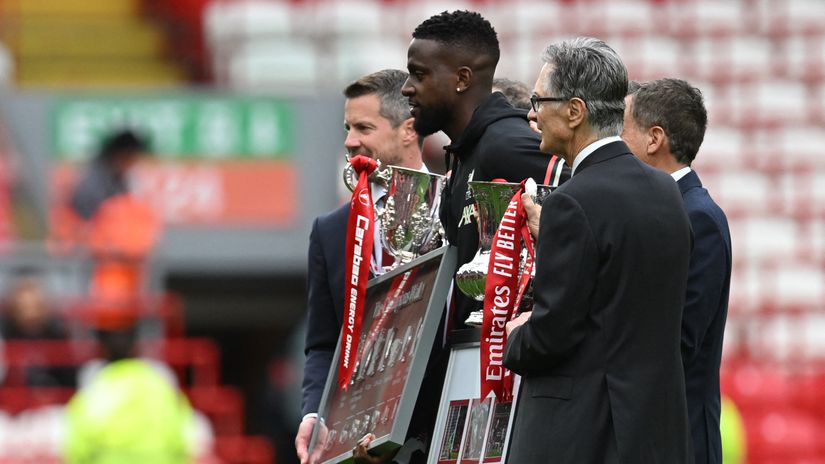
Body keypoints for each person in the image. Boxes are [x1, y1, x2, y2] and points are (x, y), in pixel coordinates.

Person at [503, 37, 694, 463]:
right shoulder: (665, 189)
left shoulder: (572, 201)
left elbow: (554, 334)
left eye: (538, 100)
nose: (531, 113)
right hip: (654, 434)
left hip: (585, 436)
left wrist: (515, 336)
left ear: (574, 111)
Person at [401, 10, 567, 327]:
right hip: (472, 359)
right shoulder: (464, 155)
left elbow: (596, 224)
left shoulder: (506, 146)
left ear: (462, 79)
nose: (407, 88)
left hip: (514, 365)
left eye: (419, 75)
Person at [297, 69, 426, 464]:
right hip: (357, 441)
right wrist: (314, 412)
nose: (350, 141)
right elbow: (322, 343)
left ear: (409, 129)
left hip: (432, 433)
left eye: (364, 128)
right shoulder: (331, 231)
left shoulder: (451, 207)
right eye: (347, 128)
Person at [622, 78, 732, 464]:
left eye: (622, 128)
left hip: (679, 439)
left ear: (654, 139)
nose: (614, 142)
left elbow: (682, 341)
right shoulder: (663, 208)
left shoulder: (698, 217)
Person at [64, 306, 200, 463]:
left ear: (103, 348)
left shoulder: (93, 387)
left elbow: (77, 449)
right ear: (136, 345)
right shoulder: (161, 383)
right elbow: (184, 441)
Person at [70, 129, 150, 221]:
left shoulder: (122, 175)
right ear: (121, 154)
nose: (133, 163)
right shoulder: (94, 176)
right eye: (131, 158)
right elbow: (87, 211)